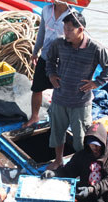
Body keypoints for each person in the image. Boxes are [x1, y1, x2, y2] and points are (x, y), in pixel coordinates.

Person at [45, 11, 108, 170]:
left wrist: (96, 83)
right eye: (64, 28)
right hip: (59, 99)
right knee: (57, 132)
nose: (66, 32)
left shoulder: (95, 48)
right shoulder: (59, 44)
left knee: (81, 138)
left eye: (70, 29)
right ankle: (58, 160)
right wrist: (52, 75)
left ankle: (80, 165)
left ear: (81, 29)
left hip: (80, 102)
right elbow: (49, 59)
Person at [42, 122, 108, 202]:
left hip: (107, 200)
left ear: (104, 143)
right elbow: (69, 170)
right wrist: (55, 173)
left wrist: (91, 190)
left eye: (97, 145)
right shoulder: (81, 155)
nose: (94, 148)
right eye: (91, 145)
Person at [22, 0, 71, 128]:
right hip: (45, 56)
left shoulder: (73, 15)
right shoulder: (46, 10)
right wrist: (35, 50)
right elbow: (42, 32)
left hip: (62, 60)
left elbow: (76, 40)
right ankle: (34, 117)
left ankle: (59, 118)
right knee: (37, 88)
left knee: (60, 90)